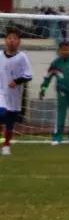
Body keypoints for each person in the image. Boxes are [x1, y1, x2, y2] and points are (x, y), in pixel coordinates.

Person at [39, 41, 69, 144]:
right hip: (62, 92)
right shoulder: (55, 63)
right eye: (63, 50)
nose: (65, 51)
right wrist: (43, 88)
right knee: (61, 115)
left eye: (67, 49)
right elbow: (48, 77)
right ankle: (57, 138)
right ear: (59, 51)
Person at [0, 27, 32, 156]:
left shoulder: (22, 57)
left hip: (14, 95)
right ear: (5, 40)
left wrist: (16, 81)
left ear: (19, 41)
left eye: (15, 38)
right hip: (1, 92)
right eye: (9, 38)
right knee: (2, 114)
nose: (11, 41)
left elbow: (29, 75)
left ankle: (6, 145)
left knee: (10, 122)